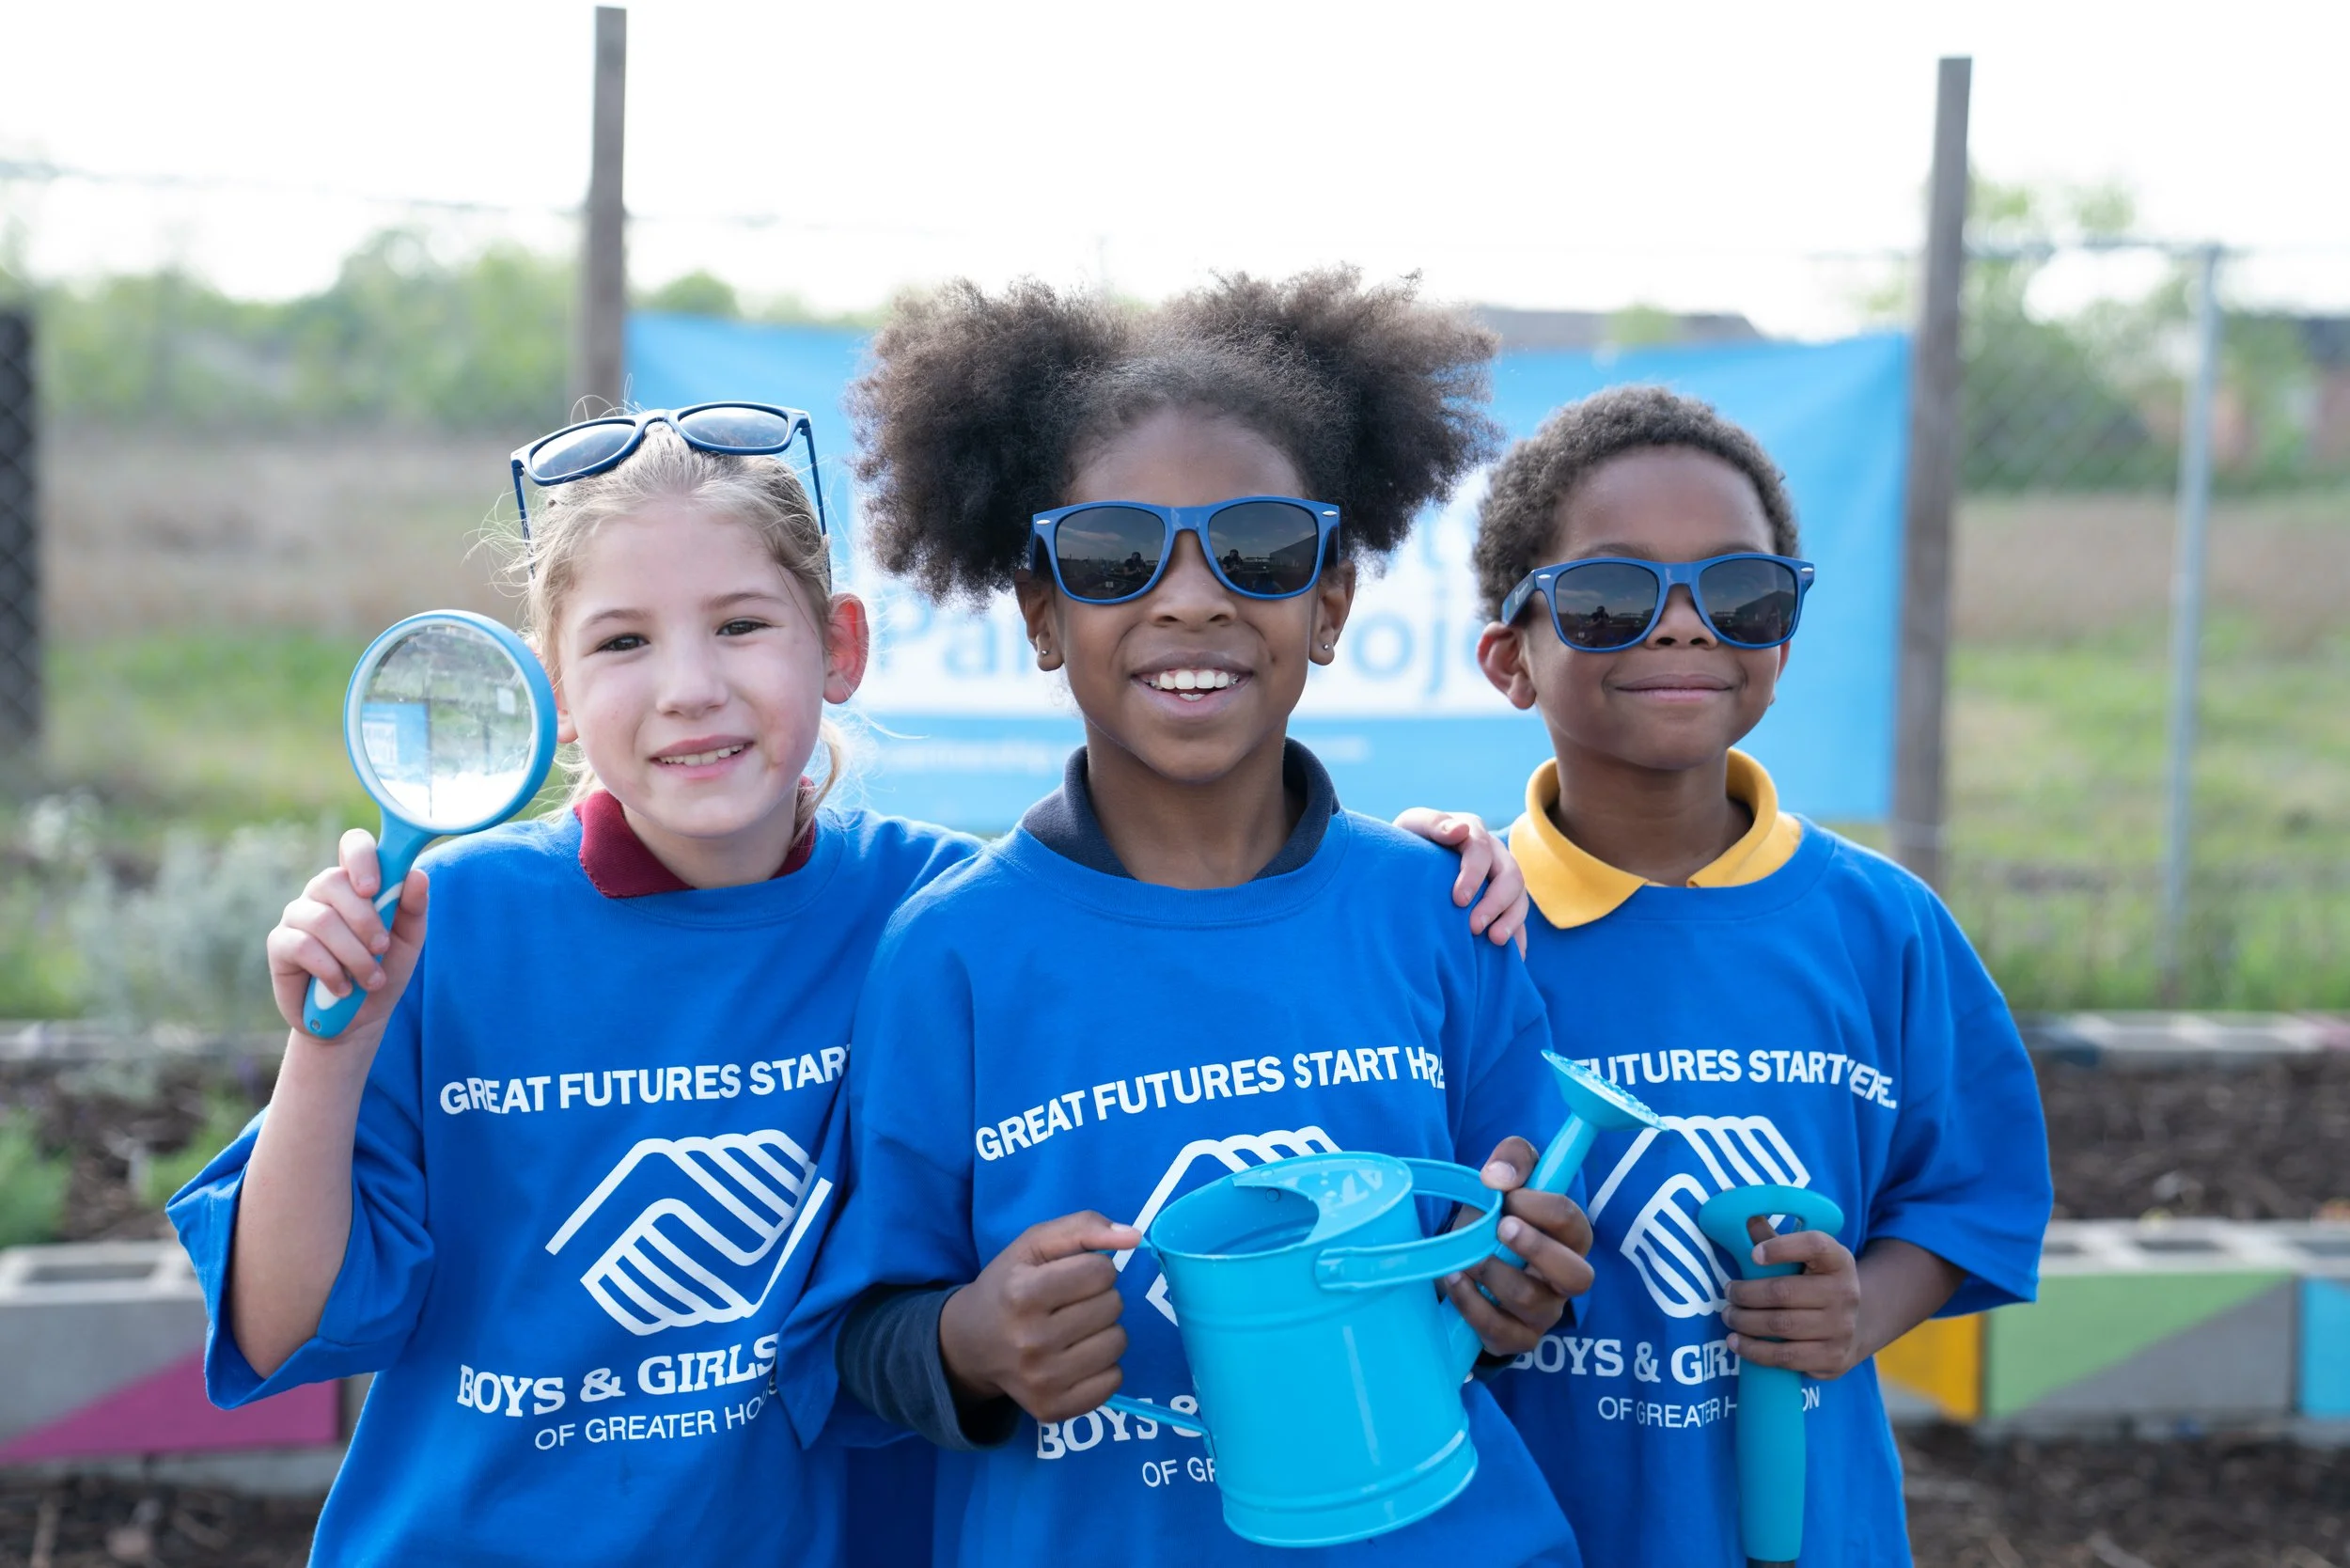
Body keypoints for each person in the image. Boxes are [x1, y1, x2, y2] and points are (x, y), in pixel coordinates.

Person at [166, 410, 1535, 1568]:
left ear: (839, 649)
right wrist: (325, 1048)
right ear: (559, 696)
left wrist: (1412, 868)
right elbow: (286, 1324)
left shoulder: (938, 920)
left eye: (742, 626)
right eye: (624, 644)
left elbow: (1170, 915)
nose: (691, 689)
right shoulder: (450, 924)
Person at [789, 271, 1593, 1568]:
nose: (1191, 596)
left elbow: (1522, 1240)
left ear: (1328, 606)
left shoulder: (1434, 911)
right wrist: (976, 1340)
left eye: (1259, 549)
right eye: (1115, 557)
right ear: (1043, 615)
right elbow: (862, 1335)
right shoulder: (953, 959)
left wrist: (1518, 1281)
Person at [1469, 385, 2052, 1567]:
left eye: (1736, 593)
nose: (1682, 629)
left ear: (1779, 640)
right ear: (1508, 658)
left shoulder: (1880, 926)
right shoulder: (1459, 928)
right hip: (1526, 1533)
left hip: (1813, 1534)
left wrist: (1858, 1313)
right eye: (1608, 596)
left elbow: (1963, 1203)